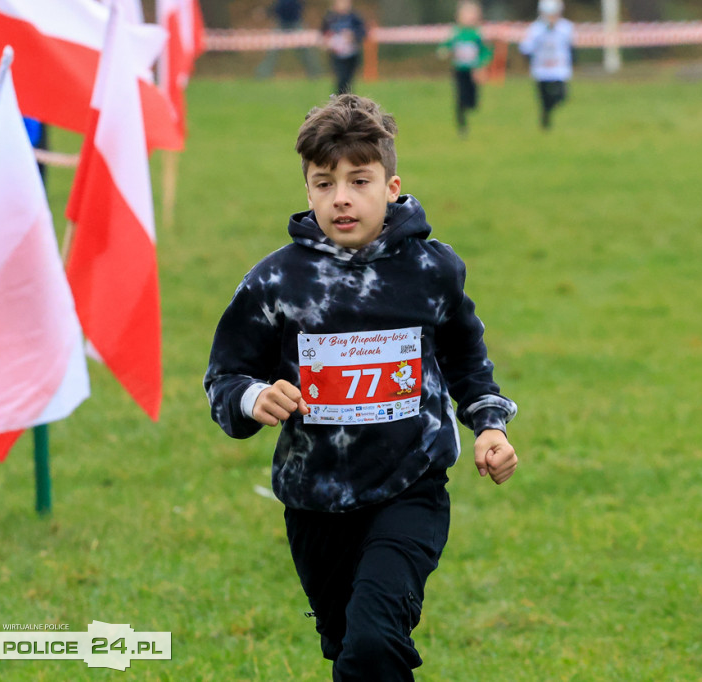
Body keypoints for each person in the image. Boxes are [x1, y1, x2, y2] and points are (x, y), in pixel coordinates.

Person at [203, 94, 519, 679]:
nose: (341, 197)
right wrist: (255, 397)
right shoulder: (276, 281)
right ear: (307, 191)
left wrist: (489, 425)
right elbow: (225, 378)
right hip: (314, 501)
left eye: (359, 181)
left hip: (410, 487)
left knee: (374, 642)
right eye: (324, 184)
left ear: (391, 187)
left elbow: (466, 358)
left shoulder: (432, 271)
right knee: (349, 649)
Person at [438, 1, 492, 136]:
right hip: (459, 70)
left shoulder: (477, 34)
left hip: (473, 71)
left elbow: (485, 51)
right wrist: (444, 51)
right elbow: (447, 45)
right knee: (460, 97)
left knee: (472, 99)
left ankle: (470, 108)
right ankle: (462, 124)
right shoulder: (456, 33)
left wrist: (481, 65)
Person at [519, 0, 573, 130]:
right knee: (544, 98)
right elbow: (526, 48)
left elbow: (570, 47)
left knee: (561, 96)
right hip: (541, 70)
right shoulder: (535, 29)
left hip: (559, 69)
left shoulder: (566, 28)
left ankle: (549, 111)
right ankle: (545, 117)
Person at [256, 0, 322, 79]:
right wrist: (266, 12)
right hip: (281, 23)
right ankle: (263, 74)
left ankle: (315, 73)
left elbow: (298, 6)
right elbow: (276, 7)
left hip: (295, 22)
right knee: (272, 51)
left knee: (305, 50)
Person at [321, 0, 366, 94]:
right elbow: (323, 33)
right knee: (341, 78)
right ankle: (340, 98)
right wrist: (327, 42)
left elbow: (363, 32)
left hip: (352, 54)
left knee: (349, 79)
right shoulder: (330, 18)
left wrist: (353, 36)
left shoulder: (355, 17)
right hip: (336, 54)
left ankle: (349, 98)